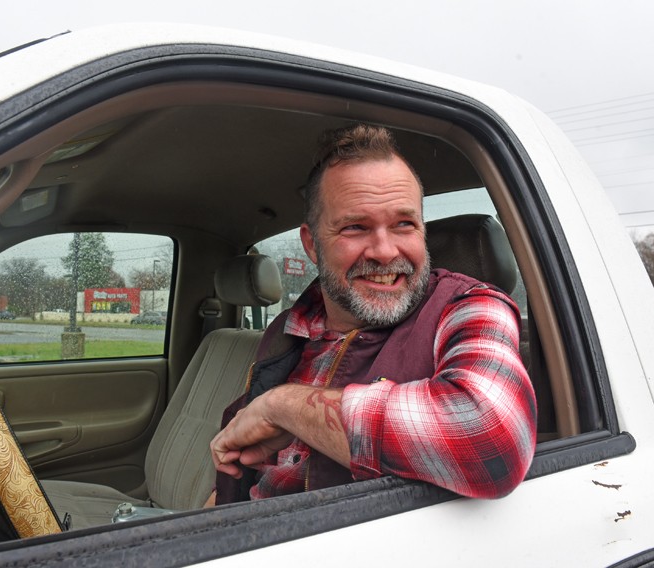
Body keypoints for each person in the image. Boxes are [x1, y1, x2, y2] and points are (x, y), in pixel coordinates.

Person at [210, 124, 537, 504]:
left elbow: (491, 443)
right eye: (355, 227)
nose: (384, 251)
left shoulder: (469, 307)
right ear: (312, 245)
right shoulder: (288, 330)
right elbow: (238, 469)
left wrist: (282, 406)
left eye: (404, 224)